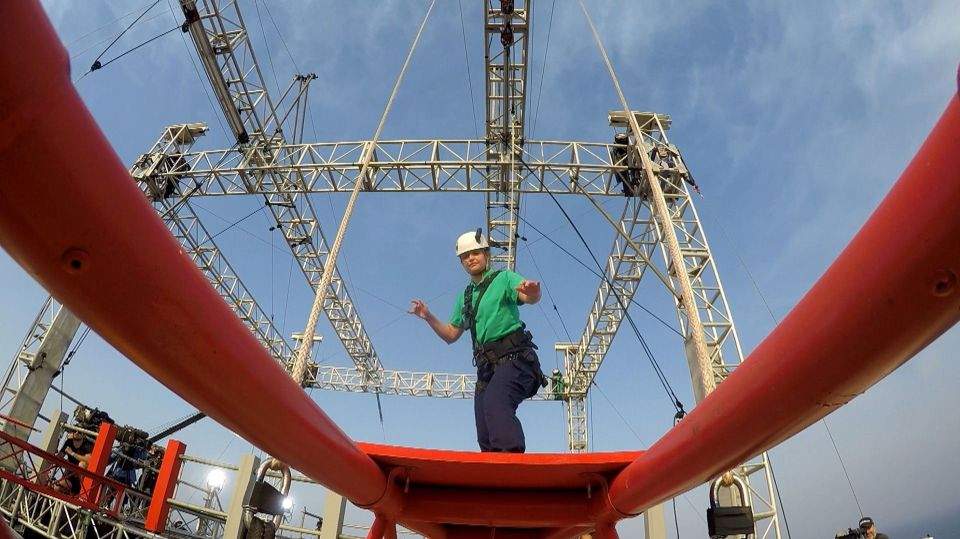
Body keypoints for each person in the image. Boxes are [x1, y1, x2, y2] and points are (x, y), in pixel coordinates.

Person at [410, 229, 545, 452]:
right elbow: (451, 335)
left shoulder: (504, 279)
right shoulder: (466, 297)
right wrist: (428, 317)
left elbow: (528, 297)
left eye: (475, 253)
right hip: (486, 370)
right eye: (465, 256)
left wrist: (534, 293)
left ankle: (512, 465)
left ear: (486, 254)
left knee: (496, 404)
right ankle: (492, 474)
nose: (470, 258)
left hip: (516, 361)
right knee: (484, 428)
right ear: (461, 263)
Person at [54, 430, 94, 495]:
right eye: (74, 431)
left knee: (82, 464)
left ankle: (81, 492)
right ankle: (69, 495)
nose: (76, 433)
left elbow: (88, 460)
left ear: (83, 435)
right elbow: (60, 456)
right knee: (57, 487)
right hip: (69, 475)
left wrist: (72, 453)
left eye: (79, 432)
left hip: (80, 478)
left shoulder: (87, 444)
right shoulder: (69, 442)